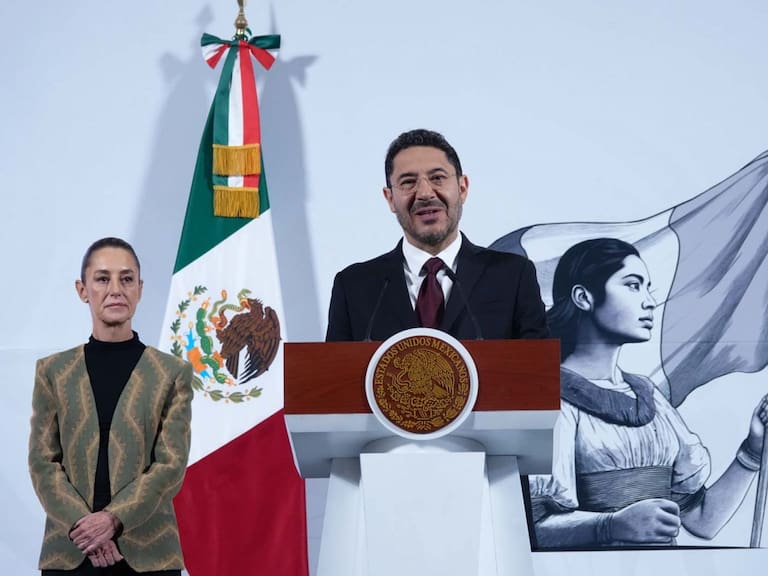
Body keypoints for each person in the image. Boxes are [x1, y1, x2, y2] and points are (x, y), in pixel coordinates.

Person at [529, 237, 768, 548]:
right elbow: (527, 527)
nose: (648, 301)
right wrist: (610, 526)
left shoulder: (649, 396)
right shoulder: (547, 397)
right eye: (632, 285)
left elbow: (702, 520)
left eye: (647, 286)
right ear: (583, 297)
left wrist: (752, 450)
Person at [28, 237, 193, 574]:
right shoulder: (53, 372)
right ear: (82, 289)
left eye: (127, 278)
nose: (116, 289)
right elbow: (43, 463)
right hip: (70, 552)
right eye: (103, 278)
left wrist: (113, 520)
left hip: (150, 554)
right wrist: (85, 526)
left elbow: (170, 466)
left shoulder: (172, 373)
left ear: (140, 289)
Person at [326, 128, 548, 341]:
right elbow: (334, 376)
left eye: (438, 178)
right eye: (408, 182)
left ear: (462, 188)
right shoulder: (354, 287)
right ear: (390, 198)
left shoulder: (513, 276)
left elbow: (538, 372)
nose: (424, 193)